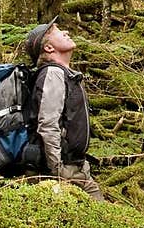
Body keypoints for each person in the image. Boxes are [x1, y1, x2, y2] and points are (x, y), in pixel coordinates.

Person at [24, 17, 105, 202]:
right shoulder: (53, 74)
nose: (66, 32)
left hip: (76, 168)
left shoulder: (66, 74)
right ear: (49, 48)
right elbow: (48, 124)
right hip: (57, 171)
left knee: (102, 221)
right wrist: (57, 170)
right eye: (58, 32)